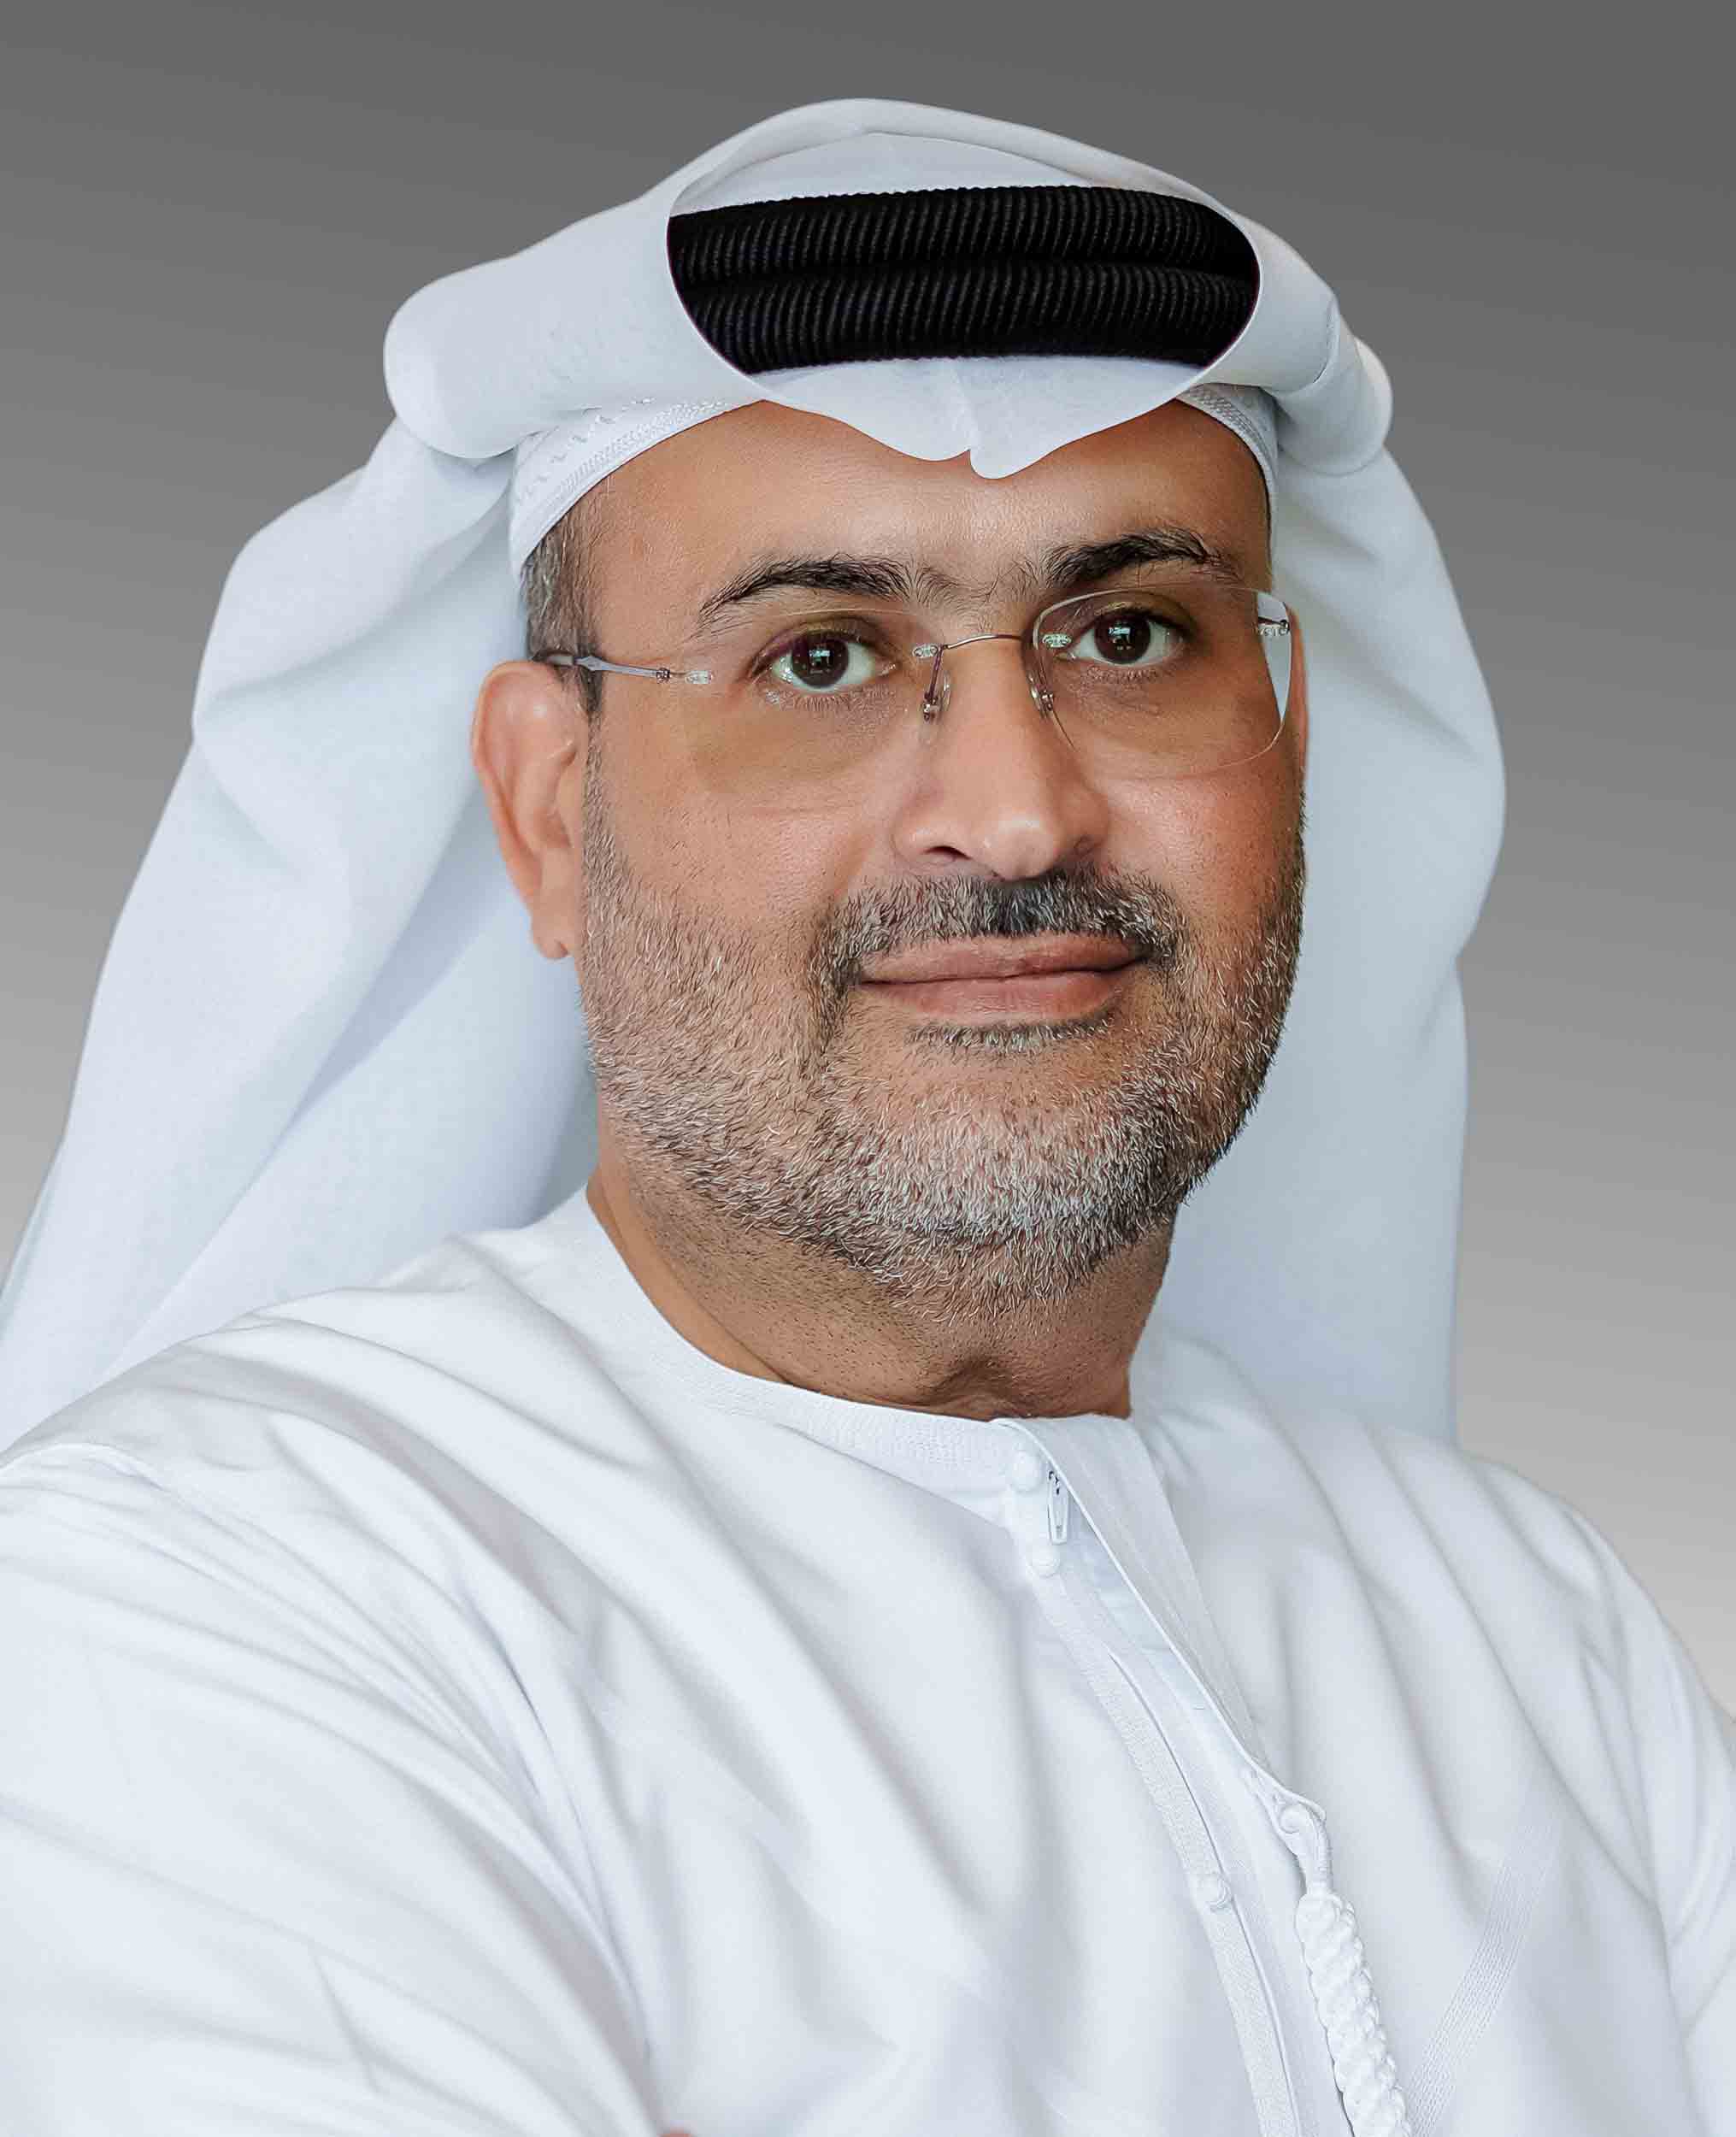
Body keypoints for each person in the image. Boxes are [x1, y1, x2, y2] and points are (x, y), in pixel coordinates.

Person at [0, 98, 1728, 2137]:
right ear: (551, 809)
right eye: (820, 655)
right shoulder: (228, 1587)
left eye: (1127, 634)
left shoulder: (1526, 1625)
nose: (1012, 811)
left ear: (1285, 739)